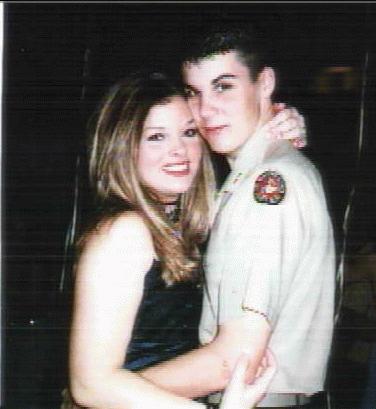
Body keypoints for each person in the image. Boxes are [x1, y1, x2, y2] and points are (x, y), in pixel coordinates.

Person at [139, 24, 336, 408]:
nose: (205, 110)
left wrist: (100, 393)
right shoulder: (252, 175)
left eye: (223, 87)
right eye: (194, 93)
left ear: (265, 84)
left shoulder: (266, 186)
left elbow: (235, 360)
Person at [67, 71, 281, 409]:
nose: (180, 150)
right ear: (122, 147)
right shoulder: (124, 231)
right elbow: (90, 385)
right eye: (156, 137)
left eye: (189, 132)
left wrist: (280, 127)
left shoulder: (179, 222)